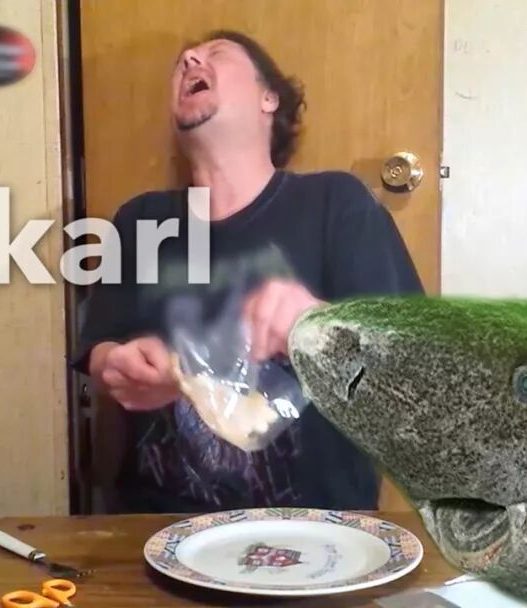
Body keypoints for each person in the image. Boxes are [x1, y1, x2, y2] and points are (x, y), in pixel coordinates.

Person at [73, 30, 423, 513]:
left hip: (317, 527)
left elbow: (414, 369)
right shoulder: (140, 221)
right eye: (182, 62)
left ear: (268, 98)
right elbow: (100, 349)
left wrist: (319, 325)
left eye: (216, 53)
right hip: (159, 529)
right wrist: (118, 364)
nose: (189, 59)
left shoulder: (337, 205)